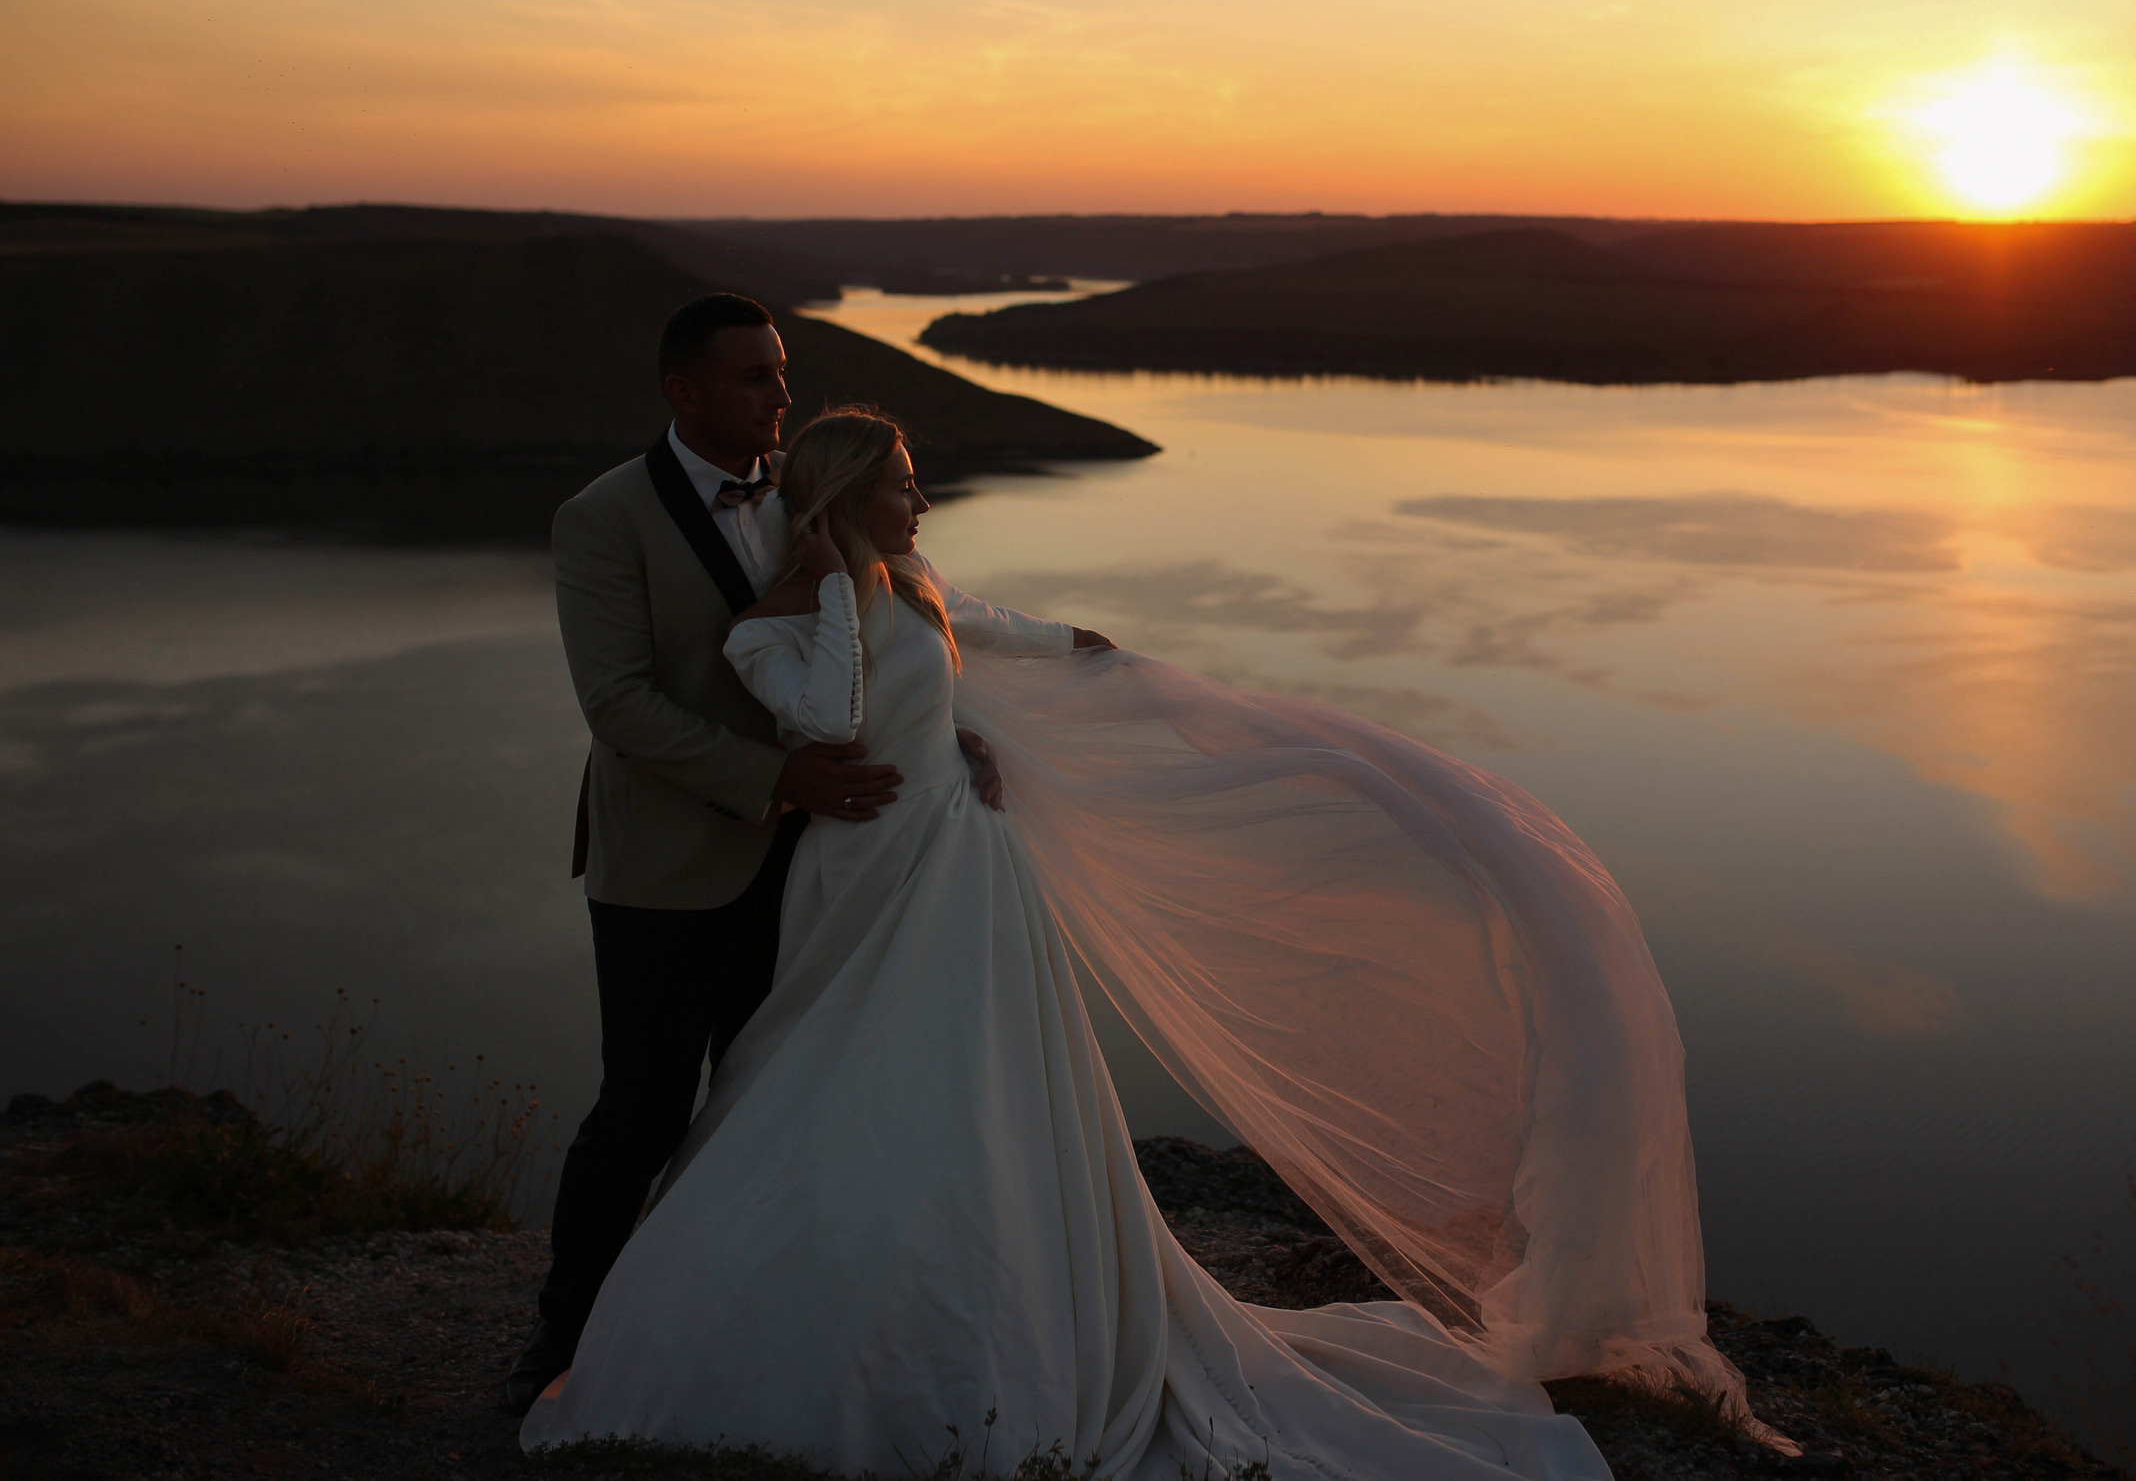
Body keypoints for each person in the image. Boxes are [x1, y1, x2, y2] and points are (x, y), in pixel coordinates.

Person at [519, 407, 1797, 1475]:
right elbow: (835, 712)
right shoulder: (784, 621)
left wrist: (1092, 659)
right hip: (859, 873)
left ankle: (976, 1287)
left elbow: (989, 638)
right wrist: (829, 586)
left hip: (962, 866)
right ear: (852, 494)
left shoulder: (914, 585)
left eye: (917, 487)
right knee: (827, 1069)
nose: (923, 504)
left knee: (977, 1087)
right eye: (903, 488)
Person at [507, 295, 1000, 1412]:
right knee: (641, 1110)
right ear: (682, 392)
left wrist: (948, 734)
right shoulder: (603, 518)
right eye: (753, 379)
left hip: (811, 867)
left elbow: (886, 631)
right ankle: (564, 1336)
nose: (782, 396)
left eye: (781, 373)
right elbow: (618, 705)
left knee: (781, 1100)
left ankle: (750, 1344)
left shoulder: (813, 492)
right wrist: (781, 777)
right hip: (668, 866)